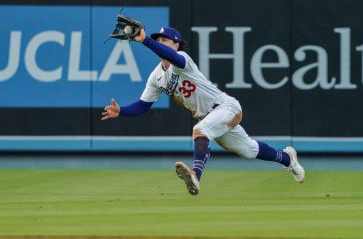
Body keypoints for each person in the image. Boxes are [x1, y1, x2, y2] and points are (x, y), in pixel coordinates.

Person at [101, 26, 305, 195]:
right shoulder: (156, 77)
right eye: (158, 39)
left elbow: (169, 55)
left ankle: (195, 177)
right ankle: (288, 159)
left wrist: (146, 41)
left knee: (200, 130)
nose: (161, 42)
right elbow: (143, 104)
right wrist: (122, 111)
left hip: (226, 107)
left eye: (165, 39)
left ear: (176, 44)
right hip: (211, 117)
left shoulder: (182, 59)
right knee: (249, 150)